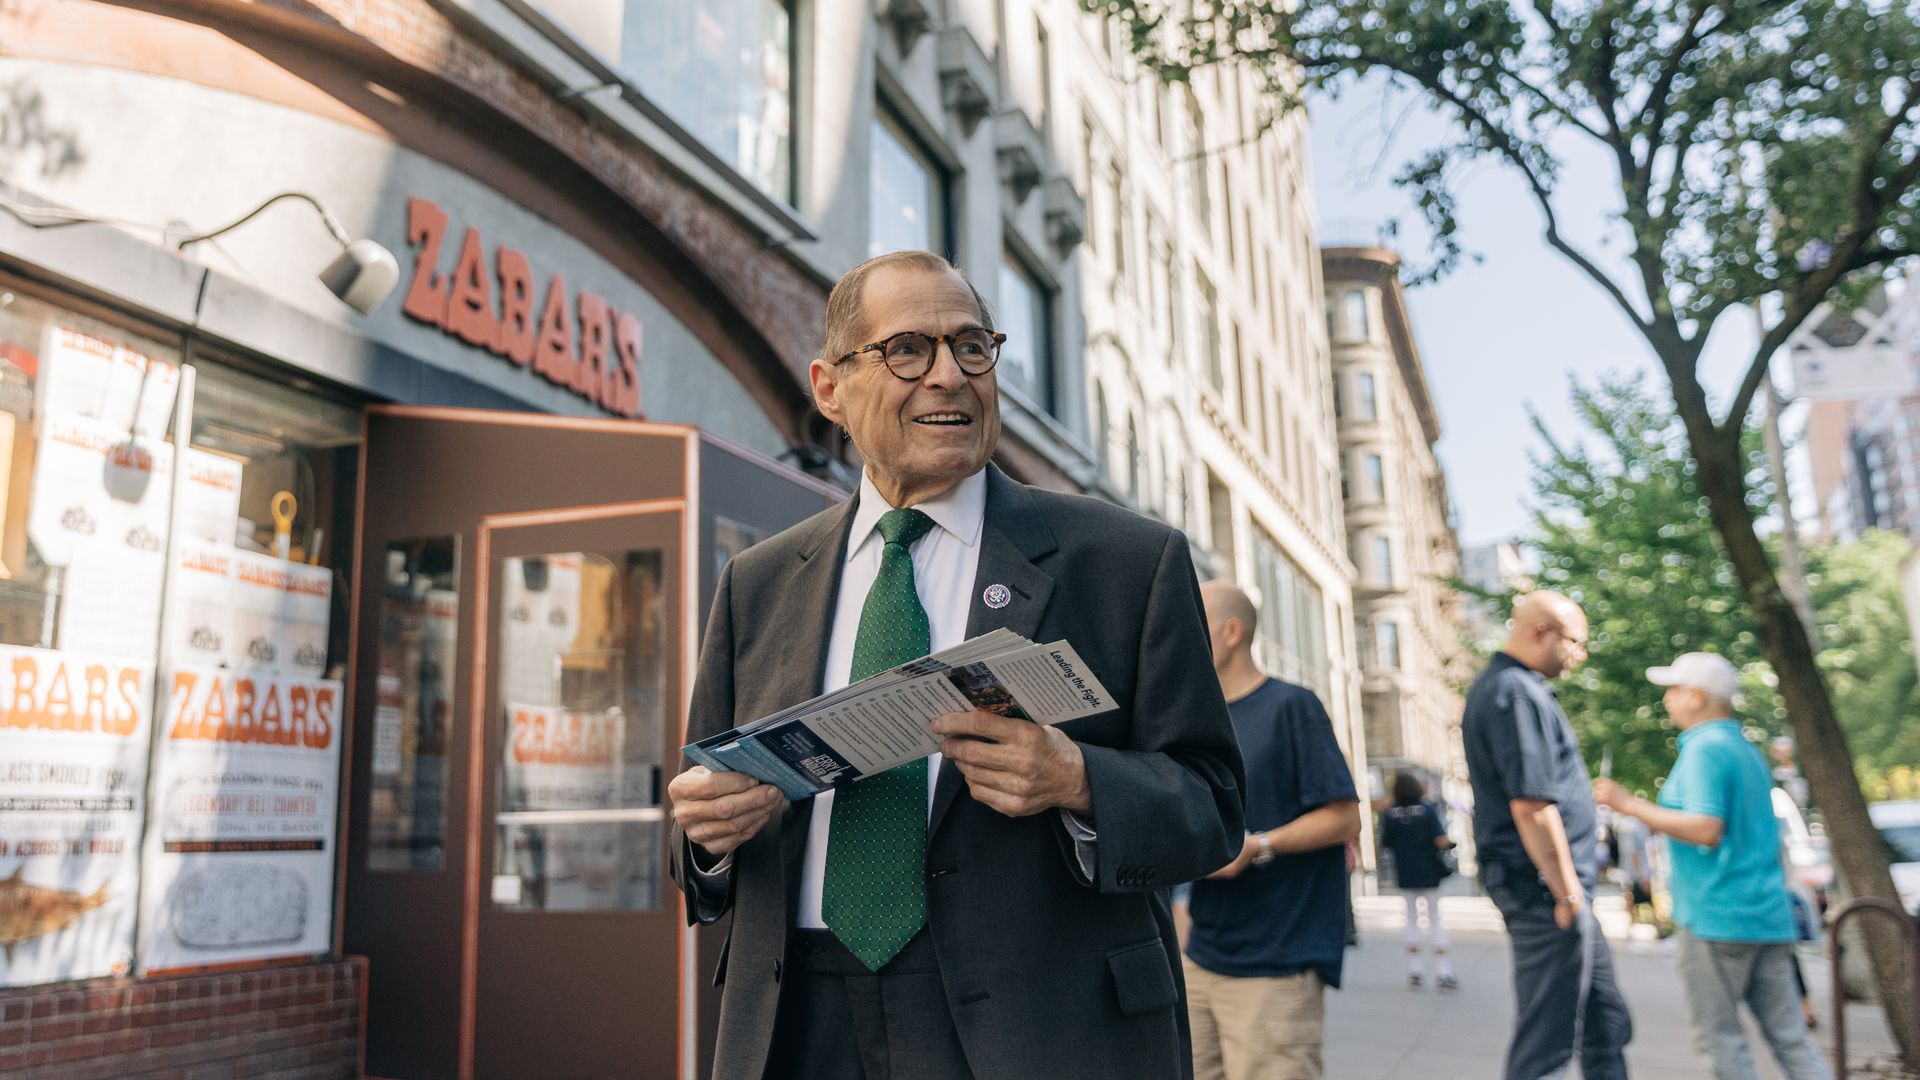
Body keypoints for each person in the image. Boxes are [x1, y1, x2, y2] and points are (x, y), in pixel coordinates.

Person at [666, 250, 1247, 1080]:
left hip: (1041, 1027)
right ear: (830, 387)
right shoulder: (757, 584)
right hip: (801, 1023)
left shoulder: (1125, 561)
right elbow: (703, 822)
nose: (949, 375)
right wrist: (708, 840)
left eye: (972, 348)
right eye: (909, 350)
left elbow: (1214, 806)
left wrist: (1080, 780)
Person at [1594, 652, 1831, 1080]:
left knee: (1720, 1040)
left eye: (1673, 689)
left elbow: (1706, 828)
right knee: (1790, 1038)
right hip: (1765, 914)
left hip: (1717, 916)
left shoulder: (1705, 749)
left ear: (1697, 696)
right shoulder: (1744, 748)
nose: (1666, 699)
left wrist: (1628, 804)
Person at [1181, 581, 1361, 1080]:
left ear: (1231, 632)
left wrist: (1258, 846)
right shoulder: (1198, 721)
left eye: (1194, 623)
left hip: (1276, 961)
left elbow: (1346, 817)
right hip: (1202, 956)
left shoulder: (1292, 706)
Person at [1462, 590, 1633, 1080]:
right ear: (1541, 632)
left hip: (1562, 891)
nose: (1580, 654)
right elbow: (1531, 805)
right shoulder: (1513, 693)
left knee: (1606, 1023)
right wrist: (1566, 891)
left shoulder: (1519, 689)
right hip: (1547, 893)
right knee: (1547, 1043)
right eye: (1575, 642)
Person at [1379, 772, 1457, 990]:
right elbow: (1440, 839)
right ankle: (1444, 971)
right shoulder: (1427, 809)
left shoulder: (1389, 813)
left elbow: (1385, 843)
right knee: (1435, 918)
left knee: (1410, 918)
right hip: (1429, 871)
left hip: (1405, 872)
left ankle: (1415, 970)